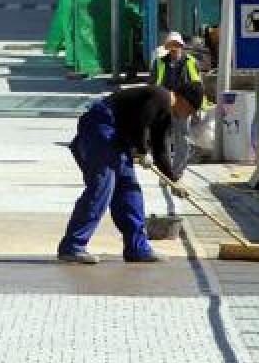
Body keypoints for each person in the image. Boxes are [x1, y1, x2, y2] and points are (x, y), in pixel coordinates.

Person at [57, 85, 179, 264]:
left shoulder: (166, 115)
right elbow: (140, 123)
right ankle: (72, 246)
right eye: (190, 110)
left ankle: (137, 248)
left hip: (118, 139)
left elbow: (160, 147)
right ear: (183, 100)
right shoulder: (161, 97)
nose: (187, 115)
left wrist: (173, 179)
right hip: (102, 129)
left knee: (130, 192)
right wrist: (142, 151)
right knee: (101, 189)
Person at [150, 31, 201, 184]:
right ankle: (165, 172)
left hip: (183, 105)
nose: (174, 48)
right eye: (171, 45)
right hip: (164, 105)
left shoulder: (191, 62)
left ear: (181, 46)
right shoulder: (159, 63)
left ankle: (176, 173)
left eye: (177, 45)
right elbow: (153, 84)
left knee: (182, 139)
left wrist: (197, 106)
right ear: (167, 47)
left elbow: (197, 85)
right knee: (163, 139)